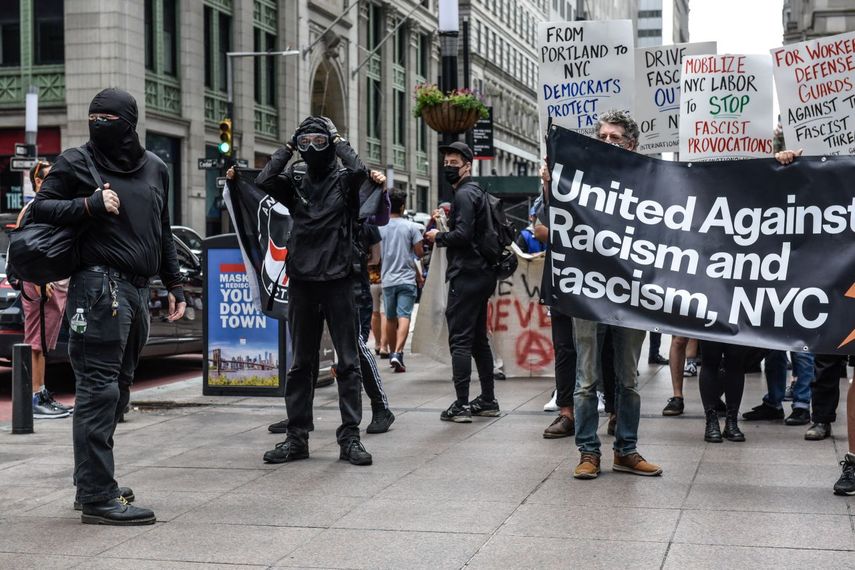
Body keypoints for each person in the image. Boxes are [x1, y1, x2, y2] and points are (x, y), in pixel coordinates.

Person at [31, 88, 186, 525]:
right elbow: (40, 208)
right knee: (98, 391)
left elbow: (162, 229)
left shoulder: (156, 168)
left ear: (130, 122)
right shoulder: (77, 162)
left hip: (137, 293)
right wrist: (88, 204)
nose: (100, 124)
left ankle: (92, 482)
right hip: (97, 289)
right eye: (93, 117)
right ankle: (98, 494)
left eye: (109, 117)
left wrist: (173, 283)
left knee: (116, 392)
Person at [255, 116, 385, 466]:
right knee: (301, 364)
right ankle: (296, 438)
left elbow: (359, 170)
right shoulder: (295, 179)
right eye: (306, 141)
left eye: (319, 141)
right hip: (302, 279)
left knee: (348, 361)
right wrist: (287, 147)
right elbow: (264, 179)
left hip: (339, 278)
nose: (312, 148)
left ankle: (350, 438)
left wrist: (338, 138)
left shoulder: (345, 182)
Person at [557, 111, 662, 479]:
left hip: (632, 293)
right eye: (601, 135)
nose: (605, 141)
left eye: (614, 137)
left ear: (631, 145)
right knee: (586, 379)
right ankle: (588, 452)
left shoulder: (651, 182)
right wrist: (547, 186)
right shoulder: (576, 179)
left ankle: (626, 450)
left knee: (628, 377)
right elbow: (554, 223)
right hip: (587, 290)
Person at [425, 141, 499, 422]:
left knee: (461, 340)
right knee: (479, 338)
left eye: (454, 163)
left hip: (467, 274)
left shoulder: (465, 195)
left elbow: (463, 235)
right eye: (446, 163)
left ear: (467, 165)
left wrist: (438, 236)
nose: (448, 167)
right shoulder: (477, 191)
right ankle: (488, 399)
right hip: (482, 273)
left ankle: (461, 404)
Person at [18, 160, 73, 419]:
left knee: (42, 344)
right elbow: (27, 249)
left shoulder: (49, 206)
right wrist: (40, 280)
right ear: (37, 181)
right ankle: (34, 398)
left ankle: (41, 393)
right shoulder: (34, 208)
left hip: (50, 284)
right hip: (40, 284)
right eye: (48, 177)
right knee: (35, 344)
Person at [379, 191, 424, 373]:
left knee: (390, 318)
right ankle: (399, 352)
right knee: (404, 315)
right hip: (407, 278)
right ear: (403, 206)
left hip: (387, 279)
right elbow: (419, 253)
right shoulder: (412, 227)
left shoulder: (379, 228)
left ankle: (392, 354)